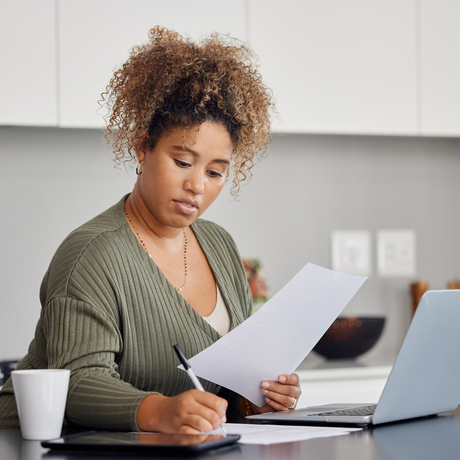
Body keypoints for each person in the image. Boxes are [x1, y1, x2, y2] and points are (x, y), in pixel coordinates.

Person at [0, 27, 301, 433]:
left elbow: (223, 387)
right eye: (182, 162)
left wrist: (257, 398)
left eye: (215, 172)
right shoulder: (93, 254)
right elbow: (79, 382)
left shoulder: (220, 244)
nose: (197, 185)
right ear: (144, 148)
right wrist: (161, 411)